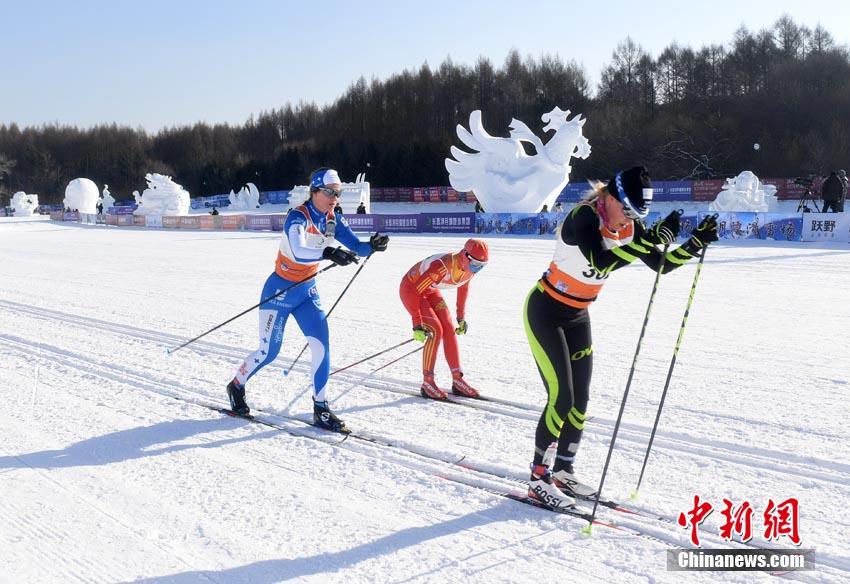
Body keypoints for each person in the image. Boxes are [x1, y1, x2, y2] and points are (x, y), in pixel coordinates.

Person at [522, 166, 719, 508]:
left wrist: (694, 243)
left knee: (580, 399)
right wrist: (647, 239)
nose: (628, 218)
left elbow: (661, 264)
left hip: (578, 315)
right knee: (562, 399)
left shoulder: (630, 224)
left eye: (635, 214)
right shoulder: (583, 216)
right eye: (626, 208)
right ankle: (538, 478)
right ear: (610, 196)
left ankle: (564, 470)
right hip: (545, 311)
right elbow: (600, 261)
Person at [226, 168, 390, 432]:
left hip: (306, 292)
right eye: (330, 192)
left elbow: (356, 246)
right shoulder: (297, 218)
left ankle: (321, 408)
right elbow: (299, 252)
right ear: (314, 191)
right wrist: (328, 252)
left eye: (338, 193)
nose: (335, 197)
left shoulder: (332, 217)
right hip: (279, 291)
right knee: (269, 351)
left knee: (321, 346)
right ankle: (236, 386)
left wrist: (373, 245)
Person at [399, 239, 489, 400]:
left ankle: (457, 379)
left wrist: (461, 317)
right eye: (475, 264)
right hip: (412, 290)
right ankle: (428, 382)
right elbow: (415, 292)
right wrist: (417, 324)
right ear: (464, 256)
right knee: (435, 330)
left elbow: (463, 289)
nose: (477, 269)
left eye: (482, 266)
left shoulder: (469, 270)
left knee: (449, 328)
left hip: (430, 290)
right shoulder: (441, 267)